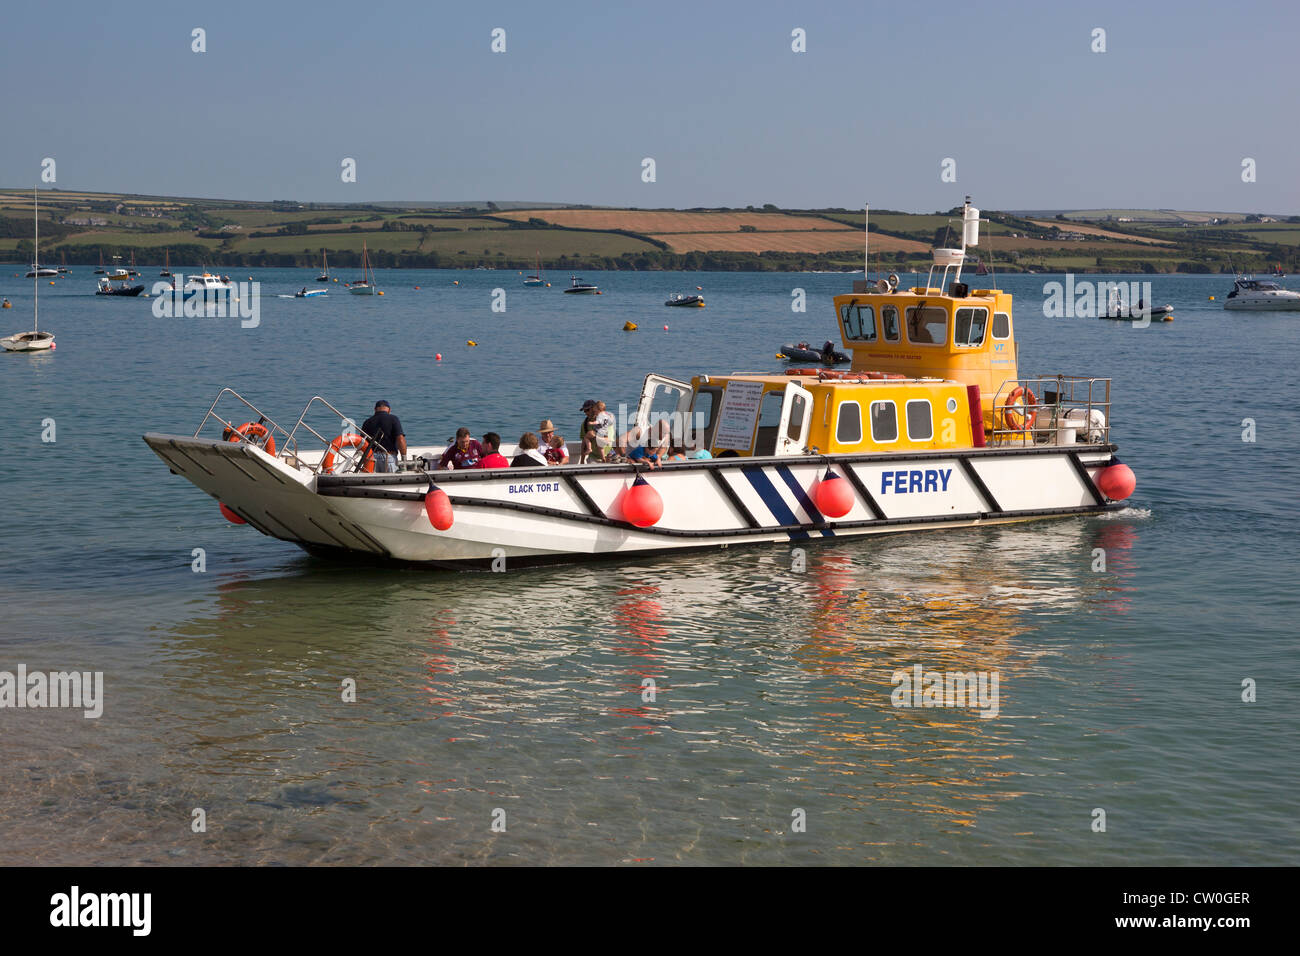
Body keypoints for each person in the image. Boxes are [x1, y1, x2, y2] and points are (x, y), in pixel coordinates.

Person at [360, 400, 407, 473]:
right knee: (391, 483)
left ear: (375, 409)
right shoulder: (393, 419)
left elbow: (362, 443)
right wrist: (404, 458)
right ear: (389, 410)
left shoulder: (367, 422)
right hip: (389, 458)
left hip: (372, 458)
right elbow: (400, 439)